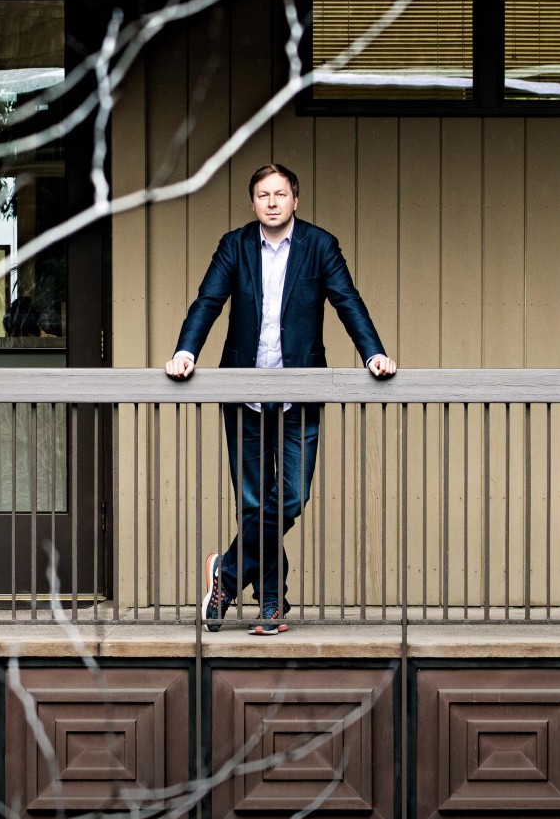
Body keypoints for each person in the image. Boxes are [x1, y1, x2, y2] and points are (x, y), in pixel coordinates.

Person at [164, 164, 395, 634]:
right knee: (253, 504)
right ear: (253, 202)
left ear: (295, 200)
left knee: (290, 496)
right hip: (243, 395)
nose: (272, 202)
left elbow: (347, 301)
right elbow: (208, 302)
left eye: (280, 194)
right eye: (263, 195)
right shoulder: (234, 245)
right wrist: (185, 352)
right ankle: (271, 604)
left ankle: (226, 576)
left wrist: (374, 353)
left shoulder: (320, 245)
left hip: (300, 396)